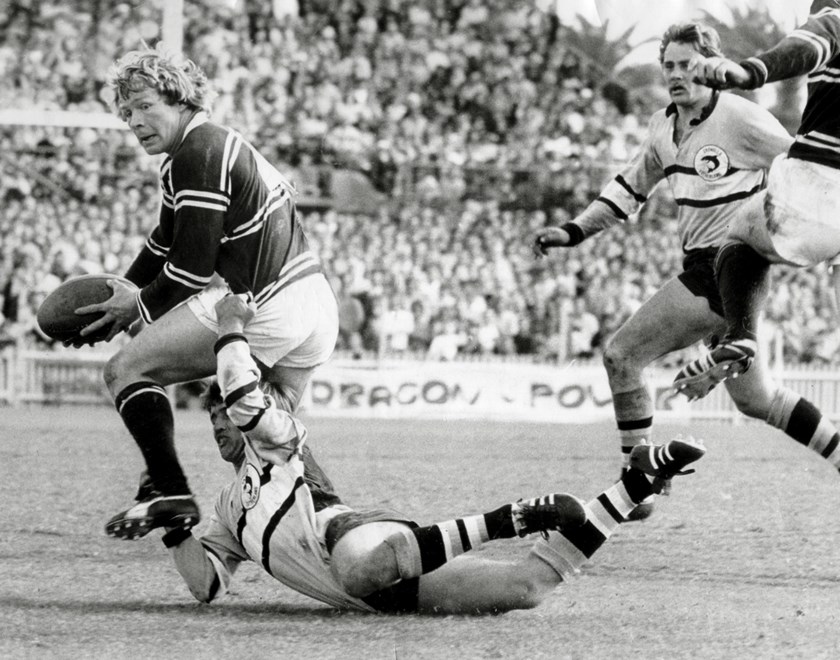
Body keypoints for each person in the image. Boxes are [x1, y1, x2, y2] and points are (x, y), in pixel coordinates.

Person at [124, 292, 707, 615]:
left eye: (223, 414)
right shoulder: (228, 507)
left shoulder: (275, 438)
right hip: (381, 594)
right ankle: (637, 485)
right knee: (526, 589)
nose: (220, 424)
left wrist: (230, 325)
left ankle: (513, 518)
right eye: (213, 419)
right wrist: (172, 528)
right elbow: (206, 585)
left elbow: (245, 399)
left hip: (352, 536)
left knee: (357, 570)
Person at [532, 21, 840, 520]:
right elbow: (628, 188)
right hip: (716, 273)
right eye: (669, 66)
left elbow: (799, 166)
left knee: (622, 355)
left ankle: (638, 487)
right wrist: (574, 231)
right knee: (757, 400)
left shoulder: (741, 116)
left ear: (710, 65)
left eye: (688, 65)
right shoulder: (663, 126)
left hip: (726, 267)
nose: (677, 75)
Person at [76, 45, 339, 537]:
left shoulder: (197, 152)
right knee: (267, 441)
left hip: (266, 301)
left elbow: (192, 268)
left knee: (126, 369)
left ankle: (167, 489)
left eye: (145, 105)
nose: (134, 121)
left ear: (180, 100)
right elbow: (164, 241)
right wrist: (121, 293)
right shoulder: (206, 148)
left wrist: (137, 306)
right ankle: (331, 523)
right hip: (315, 304)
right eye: (127, 113)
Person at [672, 0, 840, 441]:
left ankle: (741, 334)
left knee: (741, 233)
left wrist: (748, 72)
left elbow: (809, 44)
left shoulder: (835, 16)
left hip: (824, 184)